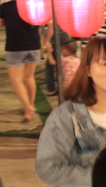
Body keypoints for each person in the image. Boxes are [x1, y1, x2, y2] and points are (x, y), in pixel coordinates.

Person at [36, 36, 106, 185]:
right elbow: (48, 168)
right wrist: (98, 178)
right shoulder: (66, 116)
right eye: (104, 63)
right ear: (88, 70)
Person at [0, 0, 40, 122]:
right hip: (34, 44)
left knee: (16, 80)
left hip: (15, 46)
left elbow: (0, 23)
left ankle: (28, 107)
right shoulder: (34, 5)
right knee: (29, 77)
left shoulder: (5, 7)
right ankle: (30, 105)